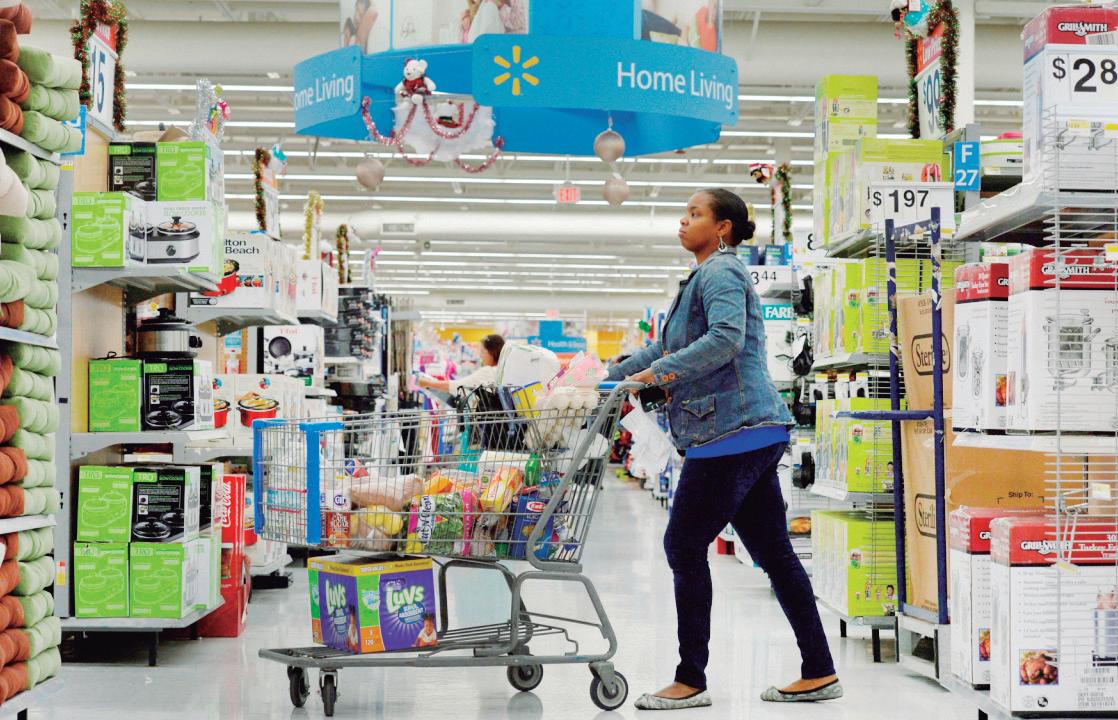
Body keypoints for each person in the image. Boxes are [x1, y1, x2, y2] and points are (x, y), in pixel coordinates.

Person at [608, 189, 841, 710]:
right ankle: (820, 669)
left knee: (683, 546)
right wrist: (612, 375)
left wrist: (655, 375)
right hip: (745, 430)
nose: (682, 221)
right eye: (684, 212)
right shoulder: (701, 277)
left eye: (694, 214)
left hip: (730, 430)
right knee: (775, 553)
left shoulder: (721, 272)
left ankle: (690, 679)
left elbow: (726, 339)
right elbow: (665, 347)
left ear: (722, 228)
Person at [418, 334, 504, 395]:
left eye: (483, 351)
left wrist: (428, 383)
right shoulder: (501, 371)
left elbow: (457, 386)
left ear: (492, 352)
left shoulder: (488, 371)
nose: (480, 355)